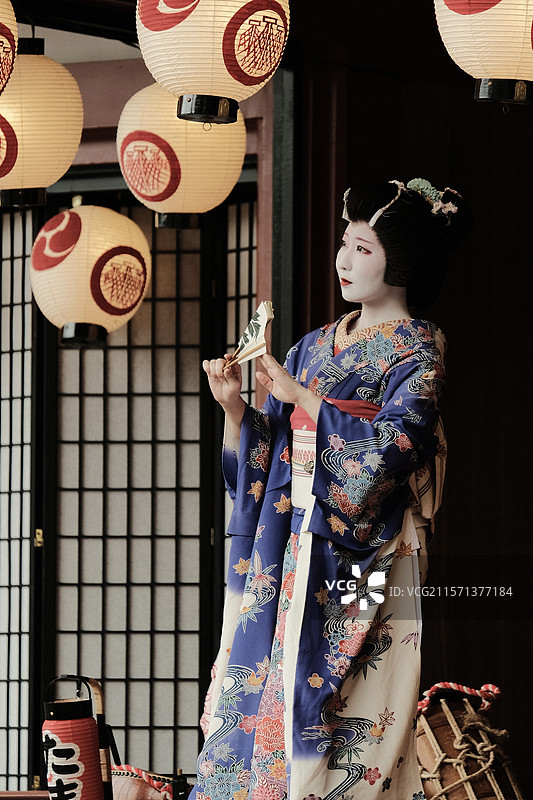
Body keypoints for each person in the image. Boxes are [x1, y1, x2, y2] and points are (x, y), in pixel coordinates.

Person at [192, 179, 470, 800]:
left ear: (400, 262)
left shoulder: (419, 347)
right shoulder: (315, 344)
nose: (345, 261)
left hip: (367, 550)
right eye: (346, 244)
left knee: (346, 693)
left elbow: (401, 445)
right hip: (291, 539)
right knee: (262, 677)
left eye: (363, 248)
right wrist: (239, 411)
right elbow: (272, 448)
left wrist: (306, 401)